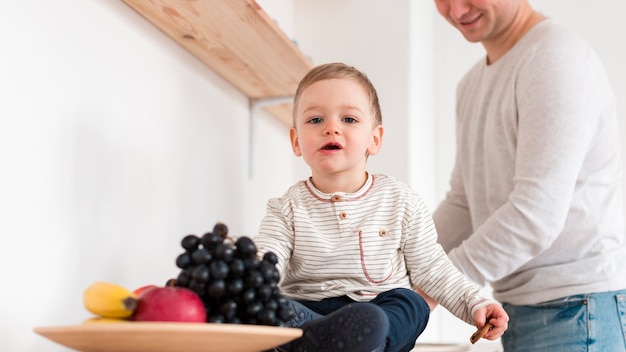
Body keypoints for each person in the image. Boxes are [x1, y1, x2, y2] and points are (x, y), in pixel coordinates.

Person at [254, 62, 509, 352]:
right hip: (308, 309)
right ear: (296, 140)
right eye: (315, 120)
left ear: (374, 139)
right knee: (273, 303)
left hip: (374, 313)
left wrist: (475, 302)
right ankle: (305, 333)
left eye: (349, 119)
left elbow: (433, 268)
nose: (331, 128)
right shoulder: (286, 208)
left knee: (411, 302)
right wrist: (244, 281)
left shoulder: (401, 201)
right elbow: (266, 258)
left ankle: (369, 345)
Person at [431, 1, 626, 351]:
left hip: (578, 312)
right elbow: (463, 202)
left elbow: (535, 214)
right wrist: (399, 267)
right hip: (523, 309)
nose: (456, 8)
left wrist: (435, 284)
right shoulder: (471, 84)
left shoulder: (555, 58)